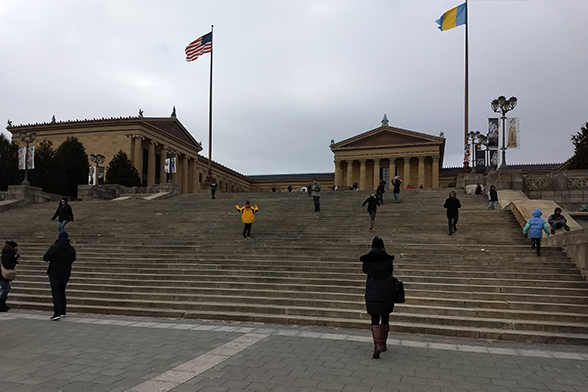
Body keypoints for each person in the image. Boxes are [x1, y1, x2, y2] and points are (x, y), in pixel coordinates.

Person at [361, 236, 395, 359]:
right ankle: (383, 343)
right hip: (386, 289)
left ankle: (377, 345)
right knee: (385, 316)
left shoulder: (368, 259)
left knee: (374, 317)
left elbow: (364, 270)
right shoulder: (388, 258)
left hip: (373, 289)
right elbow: (391, 271)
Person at [43, 231, 76, 320]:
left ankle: (57, 312)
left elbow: (46, 258)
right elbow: (73, 259)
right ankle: (63, 311)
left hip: (54, 273)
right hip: (65, 273)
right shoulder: (71, 249)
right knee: (62, 292)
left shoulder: (54, 247)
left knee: (56, 293)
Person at [0, 241, 20, 312]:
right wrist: (15, 262)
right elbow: (7, 264)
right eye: (16, 247)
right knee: (5, 289)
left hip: (4, 274)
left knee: (7, 288)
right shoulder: (7, 254)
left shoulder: (8, 253)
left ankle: (3, 304)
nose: (17, 248)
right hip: (3, 274)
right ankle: (0, 303)